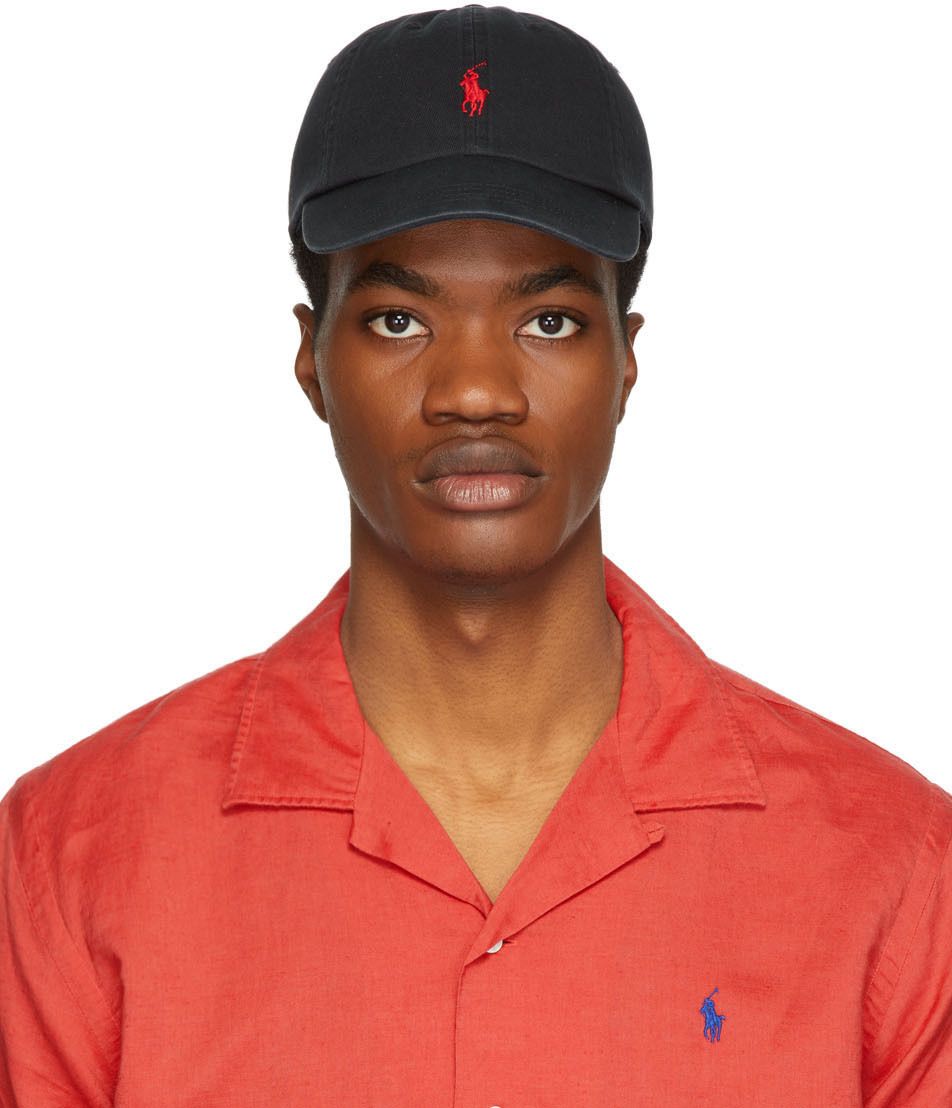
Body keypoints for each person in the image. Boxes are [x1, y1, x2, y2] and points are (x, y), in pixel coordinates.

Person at [1, 4, 949, 1104]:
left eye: (548, 321)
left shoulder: (890, 869)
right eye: (398, 321)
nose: (475, 392)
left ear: (625, 362)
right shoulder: (71, 862)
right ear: (310, 361)